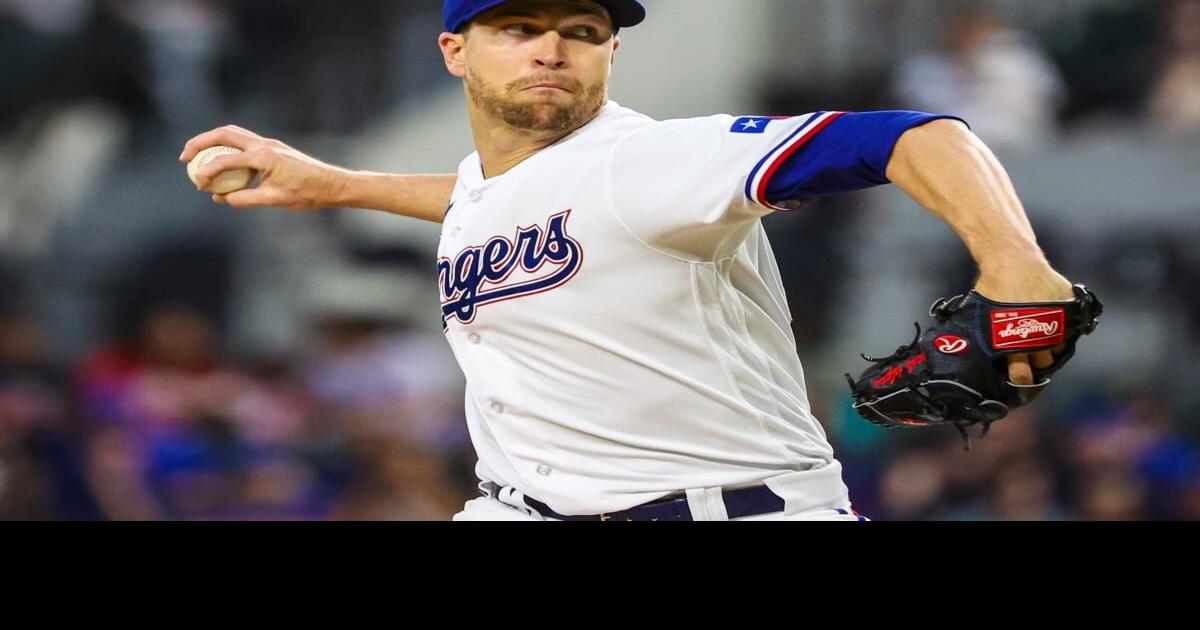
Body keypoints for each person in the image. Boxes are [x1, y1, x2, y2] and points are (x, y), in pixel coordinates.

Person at [179, 0, 1077, 521]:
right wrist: (333, 185)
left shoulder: (650, 160)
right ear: (454, 50)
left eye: (580, 26)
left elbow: (917, 134)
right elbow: (485, 199)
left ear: (613, 47)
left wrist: (1020, 276)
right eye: (517, 25)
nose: (551, 49)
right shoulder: (514, 184)